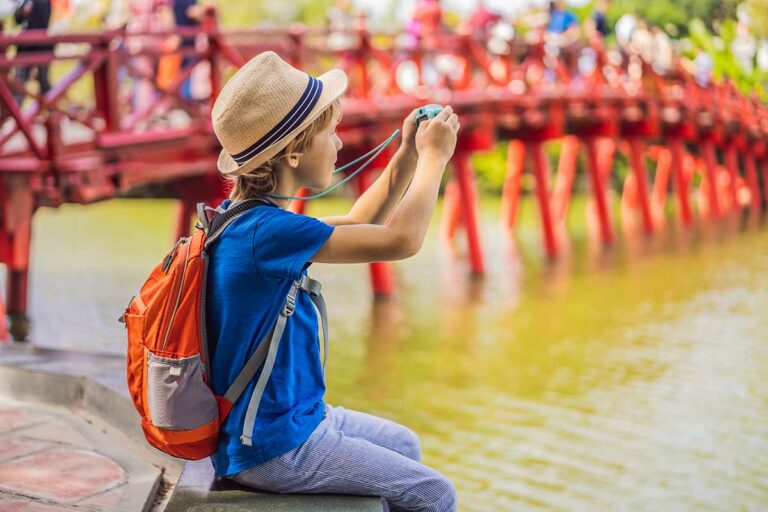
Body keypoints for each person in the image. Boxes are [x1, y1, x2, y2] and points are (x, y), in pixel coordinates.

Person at [208, 51, 459, 511]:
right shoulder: (268, 233)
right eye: (331, 132)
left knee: (404, 445)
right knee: (435, 492)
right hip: (273, 447)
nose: (340, 144)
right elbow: (401, 239)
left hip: (291, 419)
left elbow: (366, 219)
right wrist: (435, 159)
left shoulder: (247, 222)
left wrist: (404, 156)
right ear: (295, 151)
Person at [12, 0, 52, 107]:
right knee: (19, 83)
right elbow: (17, 19)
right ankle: (16, 111)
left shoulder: (42, 2)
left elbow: (43, 20)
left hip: (40, 47)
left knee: (43, 81)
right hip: (26, 48)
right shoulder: (26, 2)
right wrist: (23, 12)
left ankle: (49, 110)